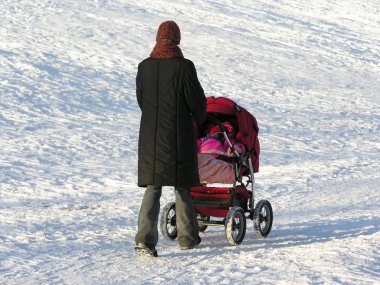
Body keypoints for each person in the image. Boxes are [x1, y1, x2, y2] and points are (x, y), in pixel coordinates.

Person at [135, 20, 207, 257]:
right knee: (182, 186)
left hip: (149, 138)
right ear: (177, 39)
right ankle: (187, 237)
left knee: (153, 187)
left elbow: (142, 100)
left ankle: (144, 239)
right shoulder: (184, 66)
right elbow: (197, 103)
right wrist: (200, 117)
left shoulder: (144, 66)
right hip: (178, 135)